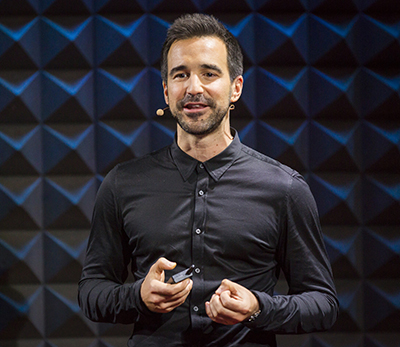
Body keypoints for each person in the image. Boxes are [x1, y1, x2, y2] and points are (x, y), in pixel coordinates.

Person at [78, 13, 339, 347]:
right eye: (180, 75)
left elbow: (323, 303)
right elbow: (91, 291)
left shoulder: (284, 188)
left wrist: (259, 307)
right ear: (166, 91)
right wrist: (137, 296)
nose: (193, 88)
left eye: (209, 73)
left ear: (236, 88)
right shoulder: (122, 184)